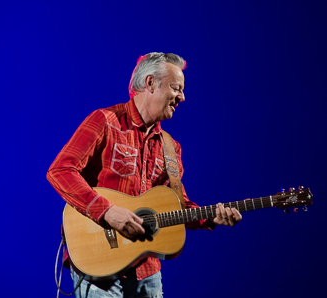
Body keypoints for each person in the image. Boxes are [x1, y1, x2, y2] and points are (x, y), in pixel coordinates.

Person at [47, 52, 242, 298]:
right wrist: (107, 212)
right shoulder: (105, 121)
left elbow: (176, 204)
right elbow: (60, 170)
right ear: (150, 83)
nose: (182, 97)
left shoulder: (171, 147)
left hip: (146, 270)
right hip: (98, 264)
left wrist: (210, 218)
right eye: (176, 88)